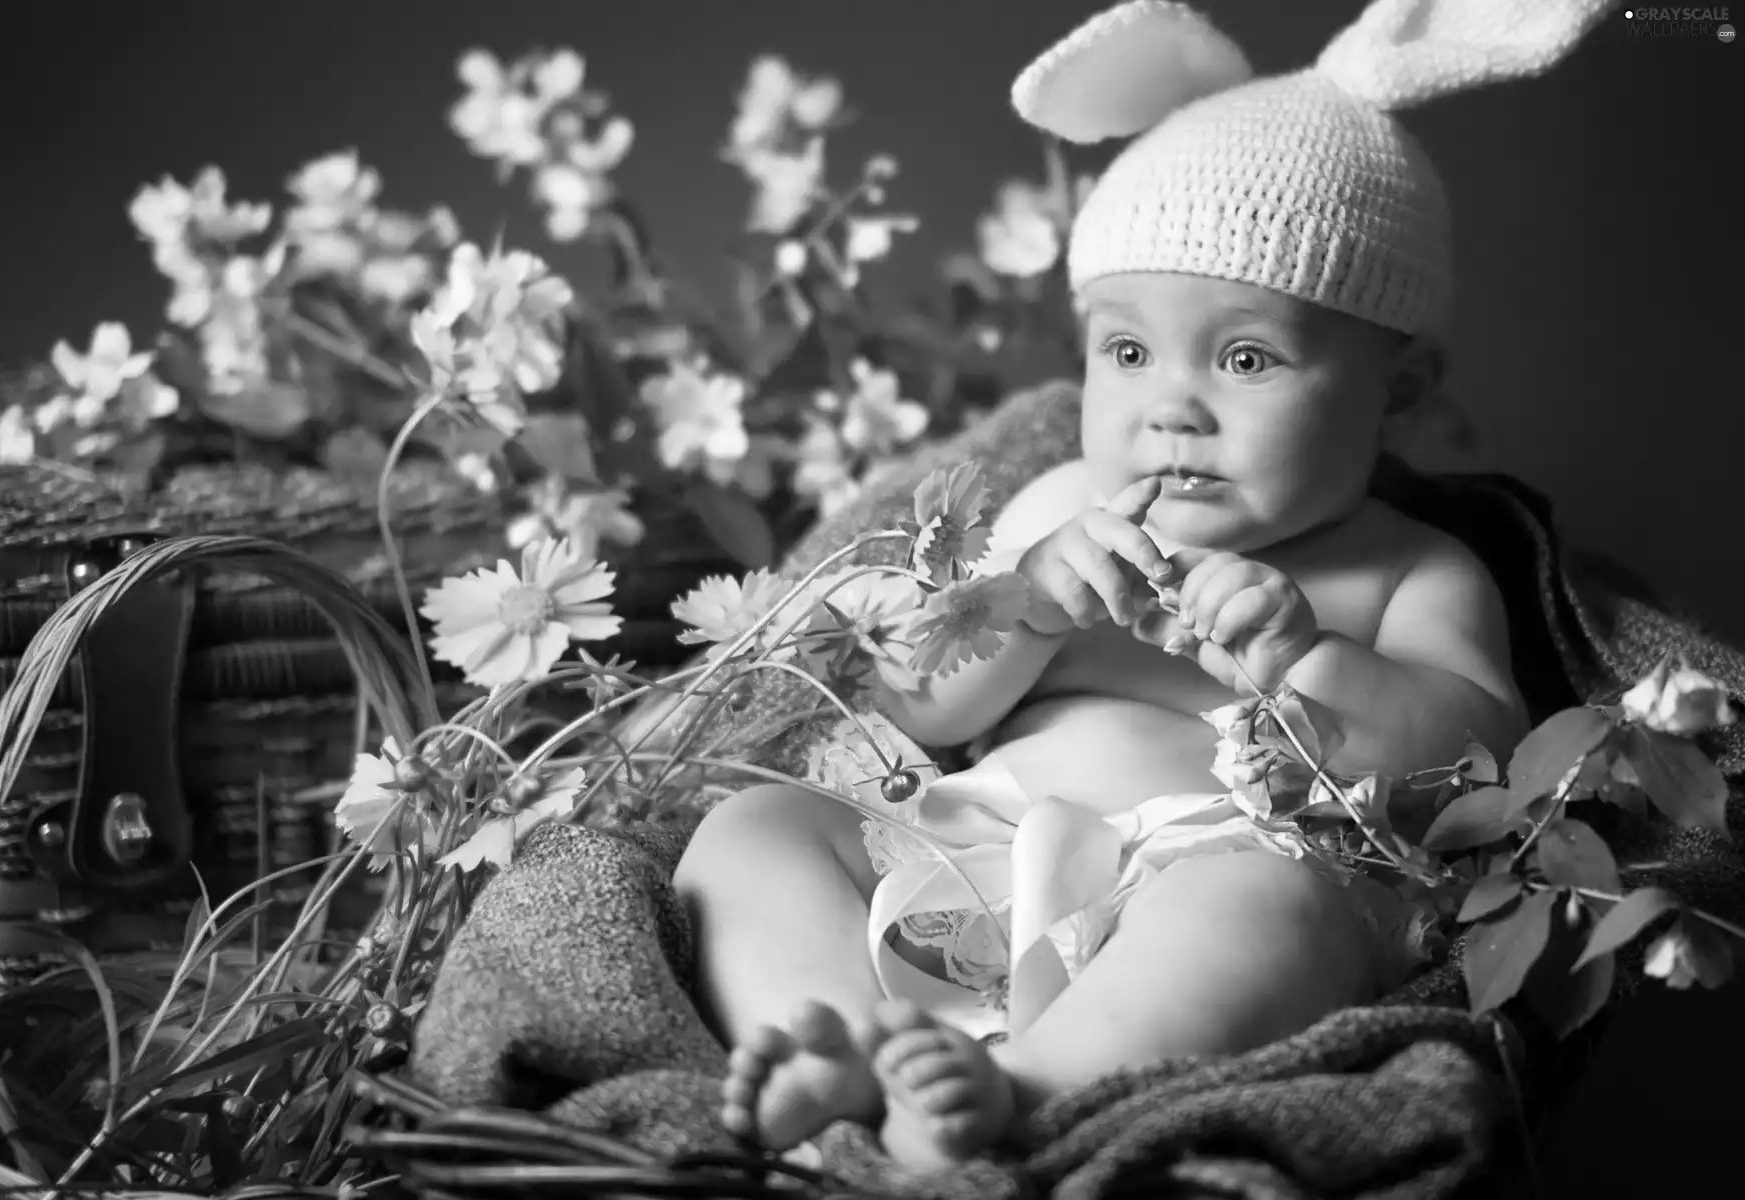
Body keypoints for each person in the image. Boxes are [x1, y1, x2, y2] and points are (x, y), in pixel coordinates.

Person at [671, 0, 1615, 1170]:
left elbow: (1481, 770)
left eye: (1246, 357)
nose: (1173, 403)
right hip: (967, 859)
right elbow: (909, 705)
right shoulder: (1060, 509)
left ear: (1399, 389)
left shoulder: (1409, 567)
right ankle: (832, 1041)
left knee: (1275, 912)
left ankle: (1014, 1096)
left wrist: (1310, 661)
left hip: (1199, 890)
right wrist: (1022, 602)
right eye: (1127, 352)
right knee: (754, 825)